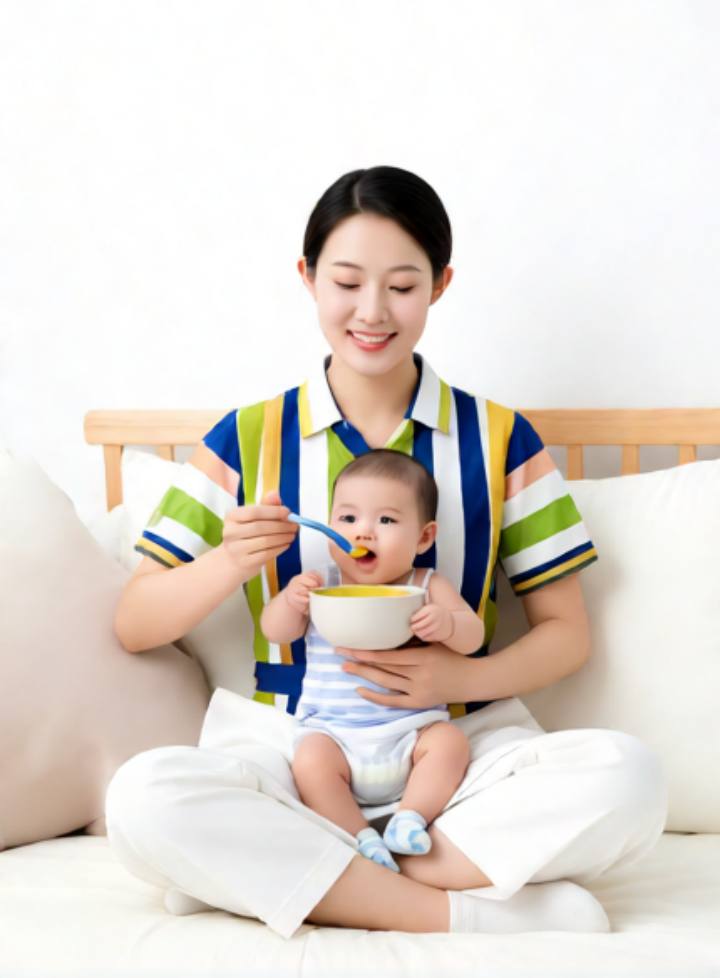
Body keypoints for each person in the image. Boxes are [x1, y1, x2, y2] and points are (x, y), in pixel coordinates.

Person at [106, 165, 668, 939]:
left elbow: (567, 633)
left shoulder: (500, 439)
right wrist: (230, 562)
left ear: (440, 285)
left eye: (402, 286)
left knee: (631, 778)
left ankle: (281, 876)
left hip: (452, 748)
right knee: (143, 799)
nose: (372, 312)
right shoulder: (244, 439)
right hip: (293, 747)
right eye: (346, 283)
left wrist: (460, 677)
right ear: (308, 278)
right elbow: (135, 623)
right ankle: (463, 912)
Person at [261, 449, 486, 873]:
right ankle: (362, 839)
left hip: (412, 733)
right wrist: (291, 602)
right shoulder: (321, 585)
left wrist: (447, 624)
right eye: (347, 518)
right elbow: (276, 631)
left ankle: (410, 820)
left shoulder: (426, 585)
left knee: (450, 744)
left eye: (386, 520)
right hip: (333, 735)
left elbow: (473, 637)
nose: (363, 532)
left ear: (424, 538)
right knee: (309, 761)